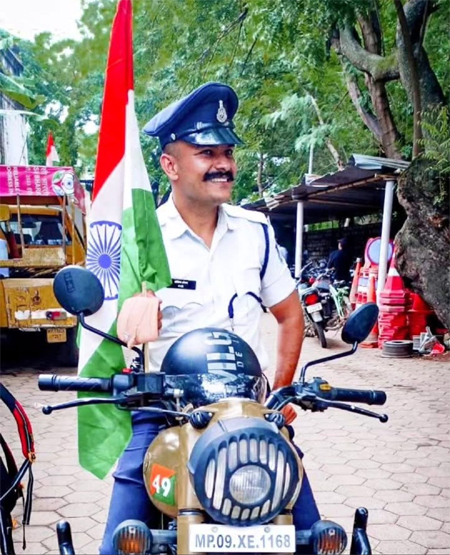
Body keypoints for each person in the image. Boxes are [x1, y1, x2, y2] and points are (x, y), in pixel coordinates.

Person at [100, 82, 320, 554]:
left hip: (247, 414)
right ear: (170, 165)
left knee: (312, 533)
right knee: (119, 541)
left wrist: (280, 395)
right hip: (165, 414)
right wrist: (130, 325)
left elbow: (290, 316)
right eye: (206, 153)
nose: (223, 164)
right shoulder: (142, 239)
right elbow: (109, 334)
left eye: (227, 152)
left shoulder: (255, 232)